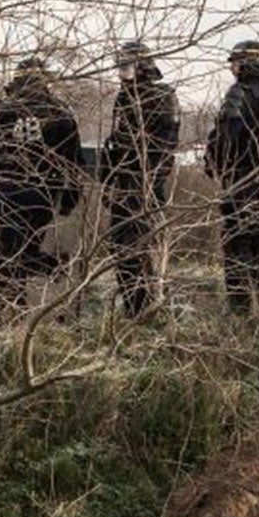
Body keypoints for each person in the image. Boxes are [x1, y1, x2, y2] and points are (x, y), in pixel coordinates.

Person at [0, 56, 83, 323]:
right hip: (43, 195)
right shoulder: (60, 111)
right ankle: (39, 280)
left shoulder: (6, 110)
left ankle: (12, 312)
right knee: (22, 251)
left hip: (9, 193)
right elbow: (75, 162)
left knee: (7, 254)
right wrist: (69, 199)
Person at [205, 39, 259, 315]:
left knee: (237, 245)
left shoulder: (239, 94)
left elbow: (226, 137)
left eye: (235, 63)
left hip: (240, 182)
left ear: (244, 64)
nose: (232, 68)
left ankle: (241, 311)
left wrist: (214, 164)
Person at [103, 41, 180, 319]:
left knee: (145, 247)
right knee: (120, 246)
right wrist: (110, 177)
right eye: (120, 66)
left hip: (146, 184)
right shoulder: (124, 98)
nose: (121, 72)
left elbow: (165, 147)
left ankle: (148, 307)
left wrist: (147, 182)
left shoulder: (162, 97)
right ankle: (132, 306)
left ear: (141, 66)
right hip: (122, 182)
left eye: (126, 66)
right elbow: (117, 140)